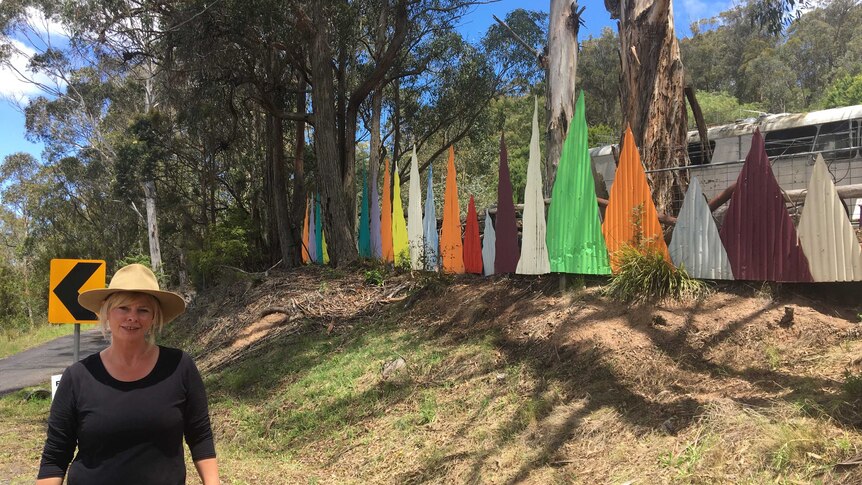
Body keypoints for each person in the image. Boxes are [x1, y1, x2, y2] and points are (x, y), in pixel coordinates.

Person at [36, 263, 219, 485]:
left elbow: (200, 437)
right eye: (123, 308)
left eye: (142, 310)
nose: (132, 317)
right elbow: (55, 456)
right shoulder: (78, 377)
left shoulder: (180, 366)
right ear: (106, 313)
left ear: (154, 317)